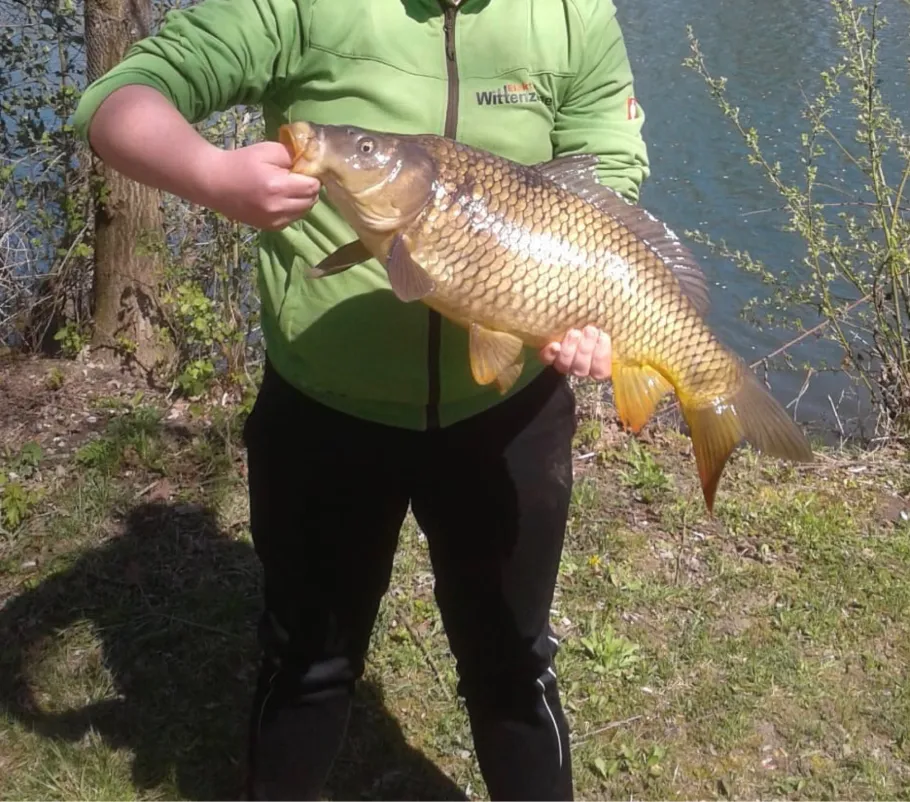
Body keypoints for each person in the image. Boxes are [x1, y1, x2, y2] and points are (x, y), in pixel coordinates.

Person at [73, 0, 649, 798]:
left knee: (513, 665)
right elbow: (119, 100)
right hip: (325, 409)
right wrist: (211, 176)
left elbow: (607, 168)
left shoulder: (570, 12)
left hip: (508, 416)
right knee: (309, 661)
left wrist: (587, 308)